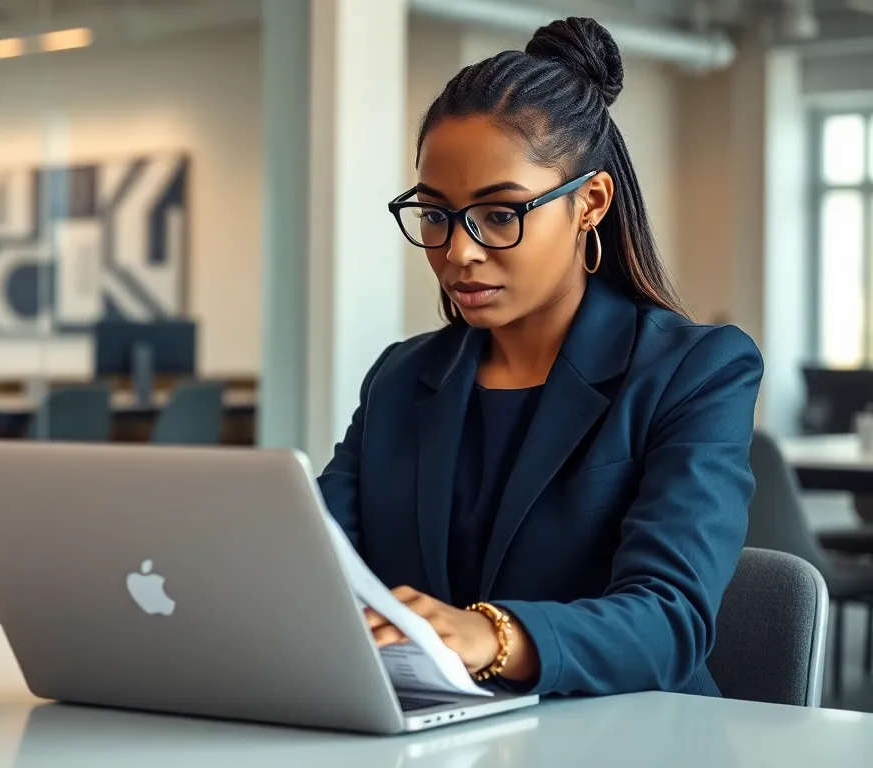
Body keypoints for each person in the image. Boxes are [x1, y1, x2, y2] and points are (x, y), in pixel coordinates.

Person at [318, 17, 762, 698]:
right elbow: (314, 568)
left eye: (500, 214)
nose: (458, 252)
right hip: (431, 734)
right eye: (435, 215)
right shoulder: (401, 380)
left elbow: (671, 619)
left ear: (590, 203)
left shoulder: (695, 371)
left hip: (630, 739)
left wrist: (492, 637)